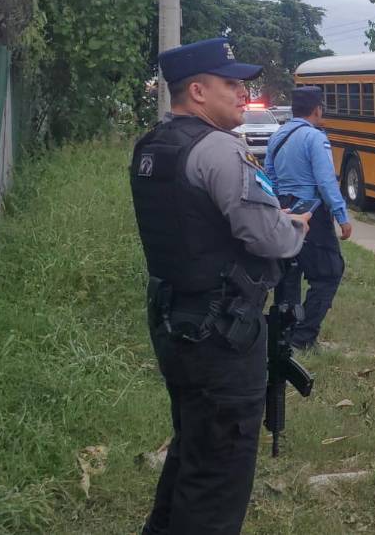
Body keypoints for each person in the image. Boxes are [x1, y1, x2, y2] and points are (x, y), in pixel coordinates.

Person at [130, 37, 312, 535]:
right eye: (230, 84)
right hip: (222, 334)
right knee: (219, 475)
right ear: (197, 91)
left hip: (173, 322)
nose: (241, 94)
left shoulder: (153, 147)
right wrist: (294, 227)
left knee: (192, 447)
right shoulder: (220, 151)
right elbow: (267, 235)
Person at [264, 86, 351, 350]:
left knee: (289, 271)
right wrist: (341, 215)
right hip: (311, 212)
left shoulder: (277, 136)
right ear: (317, 109)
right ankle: (303, 338)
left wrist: (280, 205)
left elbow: (269, 176)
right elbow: (325, 181)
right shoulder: (315, 138)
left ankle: (284, 334)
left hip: (285, 209)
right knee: (328, 273)